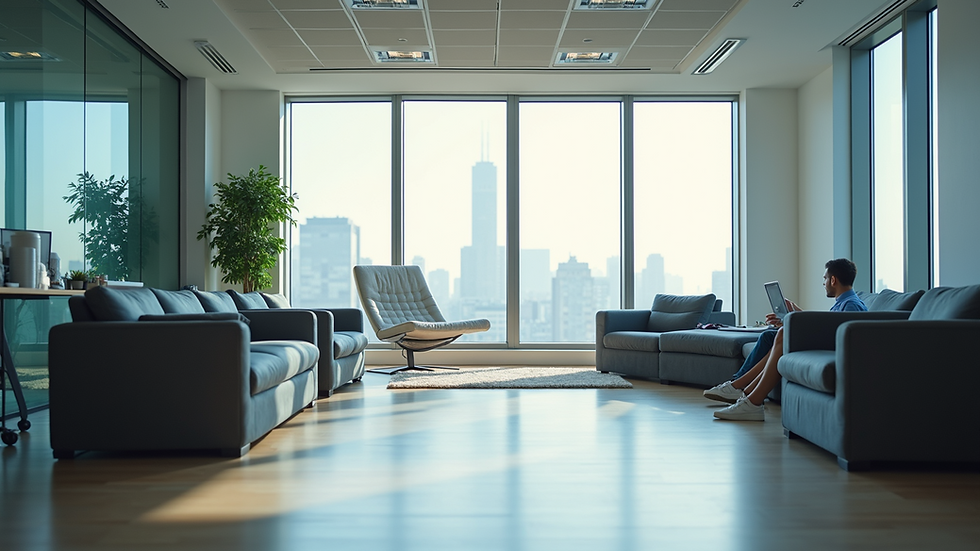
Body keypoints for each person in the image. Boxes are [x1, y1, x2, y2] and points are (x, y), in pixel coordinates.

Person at [706, 258, 867, 421]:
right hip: (828, 346)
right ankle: (747, 394)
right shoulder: (843, 303)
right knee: (781, 334)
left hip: (834, 350)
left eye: (825, 278)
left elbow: (841, 338)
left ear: (833, 280)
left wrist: (795, 325)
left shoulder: (851, 305)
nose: (823, 283)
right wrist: (796, 314)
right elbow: (827, 328)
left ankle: (748, 397)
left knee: (783, 333)